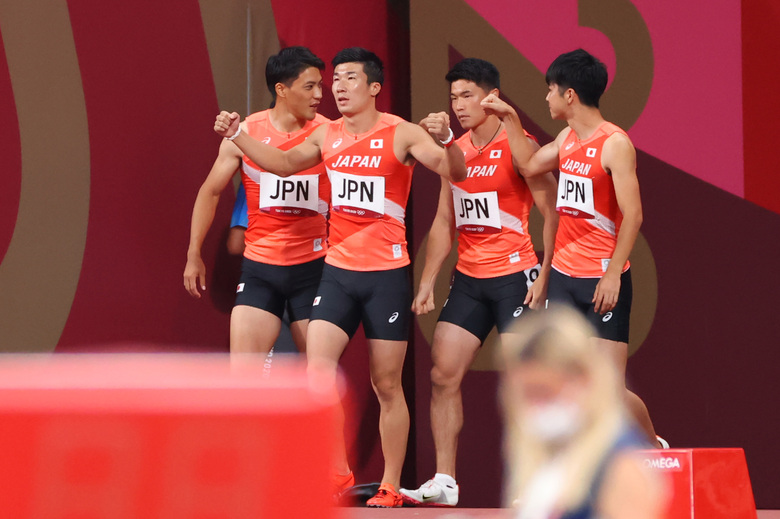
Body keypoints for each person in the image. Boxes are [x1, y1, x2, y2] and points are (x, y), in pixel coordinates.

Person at [214, 47, 467, 508]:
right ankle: (332, 469)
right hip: (337, 273)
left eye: (350, 79)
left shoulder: (402, 133)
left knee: (386, 384)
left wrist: (449, 140)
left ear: (374, 87)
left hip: (386, 276)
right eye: (336, 80)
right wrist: (238, 137)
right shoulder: (326, 134)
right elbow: (286, 164)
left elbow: (455, 172)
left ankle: (390, 483)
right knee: (316, 374)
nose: (339, 87)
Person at [399, 58, 558, 507]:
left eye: (466, 95)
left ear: (491, 98)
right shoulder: (456, 151)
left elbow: (553, 214)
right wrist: (428, 280)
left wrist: (544, 275)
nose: (458, 105)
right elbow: (444, 221)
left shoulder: (520, 146)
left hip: (515, 276)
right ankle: (445, 481)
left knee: (527, 383)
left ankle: (540, 482)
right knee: (442, 375)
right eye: (453, 97)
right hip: (469, 279)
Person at [481, 49, 660, 445]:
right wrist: (509, 118)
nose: (546, 98)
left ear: (570, 95)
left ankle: (656, 450)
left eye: (550, 90)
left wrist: (613, 273)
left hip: (601, 280)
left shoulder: (614, 144)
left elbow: (633, 215)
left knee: (608, 389)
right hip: (563, 276)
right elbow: (528, 166)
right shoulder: (566, 139)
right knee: (560, 386)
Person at [184, 46, 329, 356]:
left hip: (314, 269)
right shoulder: (247, 133)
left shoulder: (328, 134)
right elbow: (210, 191)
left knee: (320, 380)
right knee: (244, 378)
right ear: (282, 89)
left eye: (320, 85)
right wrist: (193, 251)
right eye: (310, 86)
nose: (319, 94)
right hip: (261, 270)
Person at [499, 305, 667, 519]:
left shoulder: (620, 464)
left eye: (544, 392)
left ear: (582, 380)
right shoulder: (540, 457)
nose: (536, 407)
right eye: (527, 395)